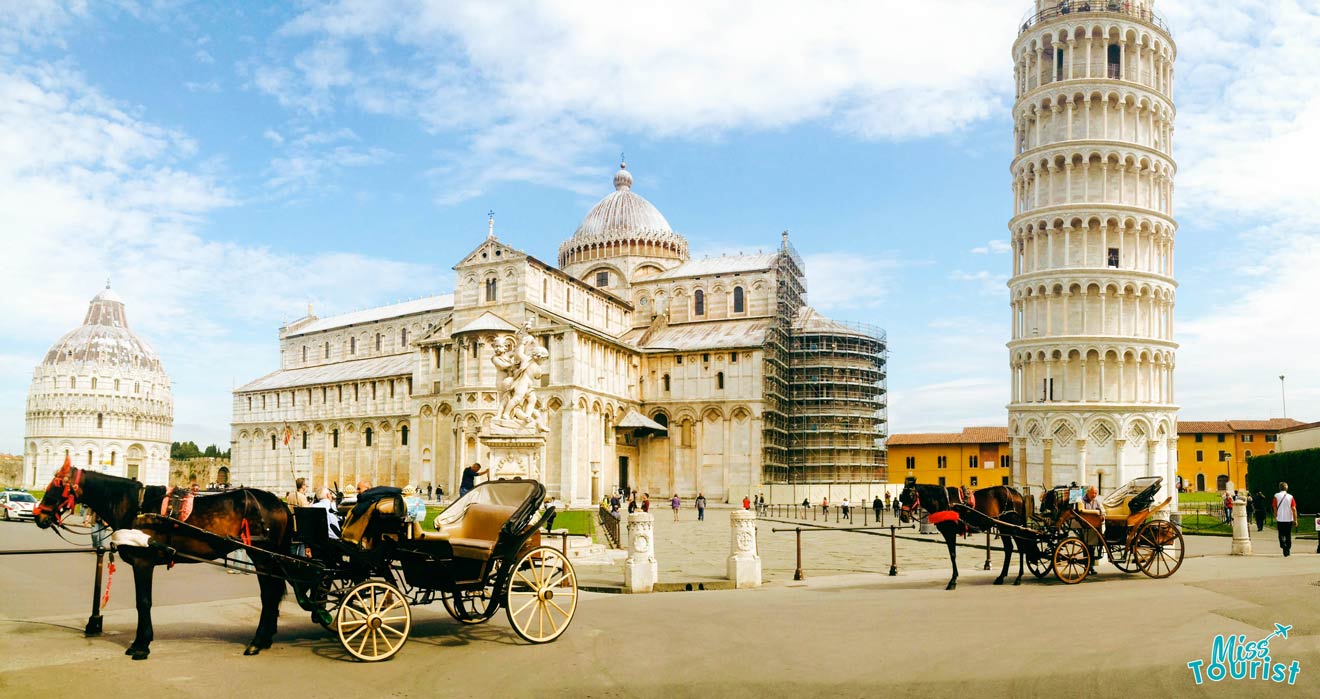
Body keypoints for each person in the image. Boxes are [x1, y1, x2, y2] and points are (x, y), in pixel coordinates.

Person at [1077, 486, 1105, 571]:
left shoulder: (1096, 501)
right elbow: (1081, 512)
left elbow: (1102, 511)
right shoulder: (1082, 500)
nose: (1094, 495)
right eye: (1092, 493)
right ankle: (1087, 567)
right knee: (1086, 547)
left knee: (1092, 547)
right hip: (1084, 526)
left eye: (1096, 493)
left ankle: (1090, 567)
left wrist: (1102, 514)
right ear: (1087, 493)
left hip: (1094, 527)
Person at [1273, 482, 1297, 557]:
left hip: (1280, 518)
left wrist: (1276, 515)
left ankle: (1283, 546)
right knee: (1288, 534)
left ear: (1279, 488)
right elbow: (1293, 509)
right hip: (1289, 519)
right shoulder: (1290, 497)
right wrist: (1295, 520)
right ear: (1286, 488)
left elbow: (1274, 507)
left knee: (1281, 534)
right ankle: (1288, 548)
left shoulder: (1276, 496)